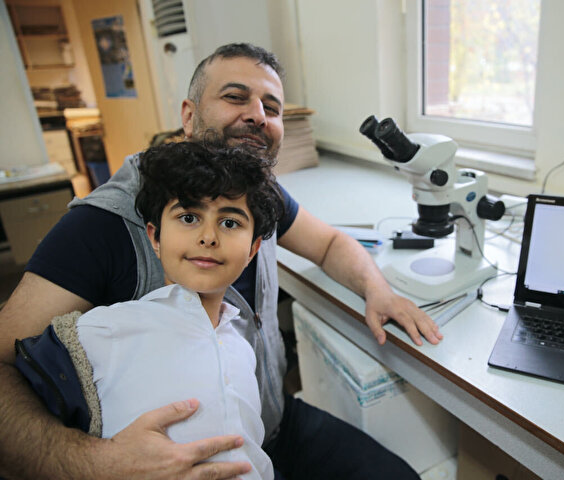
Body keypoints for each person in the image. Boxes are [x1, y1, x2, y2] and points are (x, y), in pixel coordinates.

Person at [0, 43, 442, 480]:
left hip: (269, 423)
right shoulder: (103, 223)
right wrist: (99, 464)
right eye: (235, 97)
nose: (257, 115)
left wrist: (378, 290)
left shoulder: (256, 192)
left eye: (272, 107)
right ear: (189, 116)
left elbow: (328, 244)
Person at [17, 141, 284, 480]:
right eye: (189, 217)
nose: (208, 237)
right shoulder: (106, 329)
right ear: (155, 238)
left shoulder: (242, 346)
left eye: (230, 223)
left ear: (253, 250)